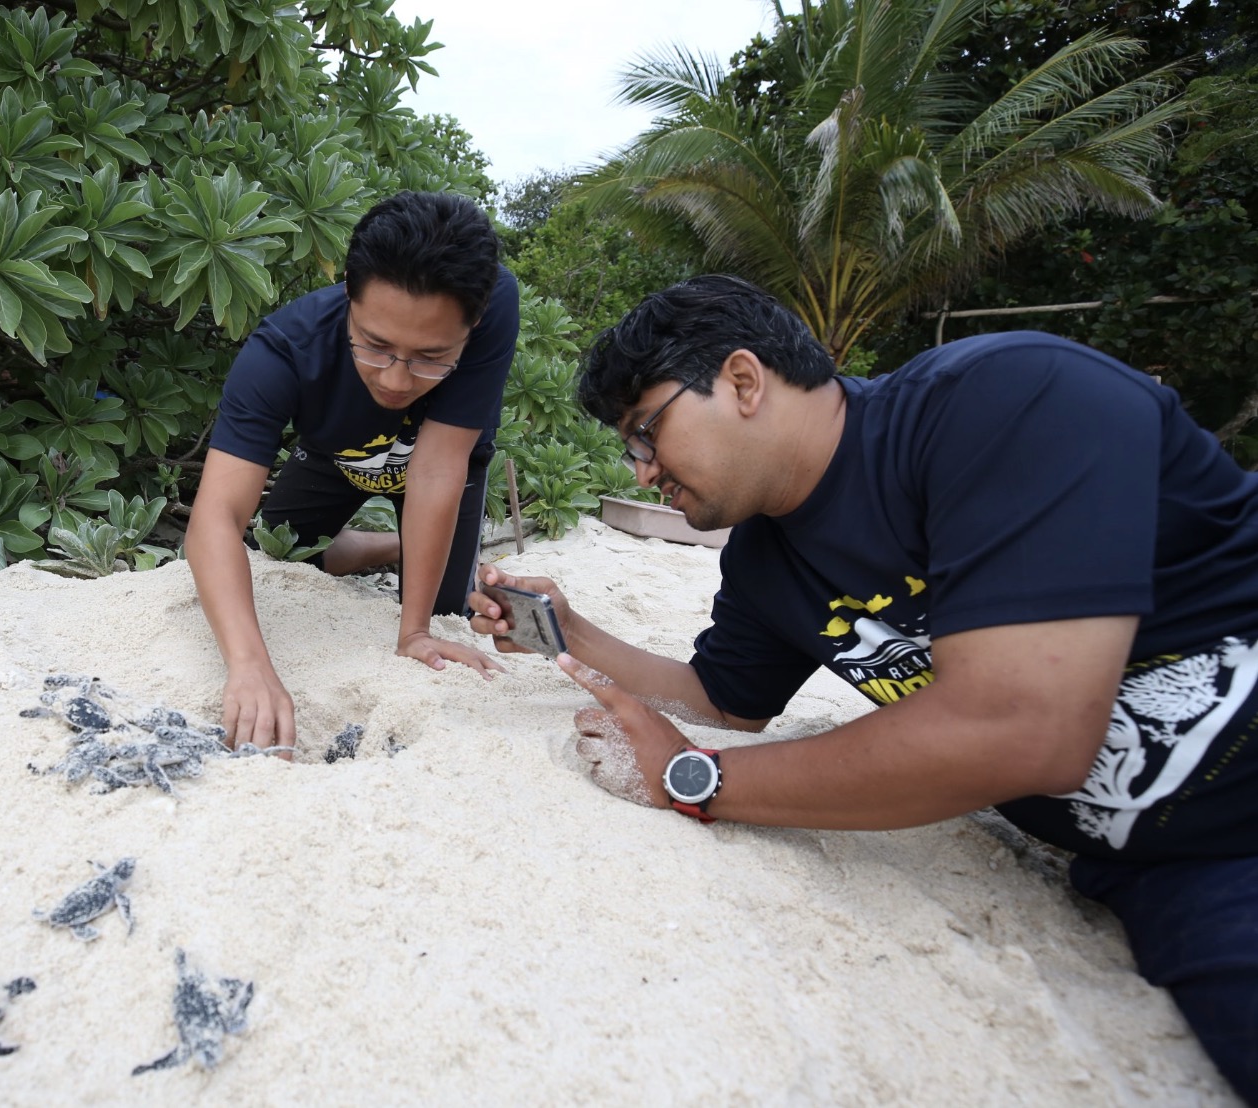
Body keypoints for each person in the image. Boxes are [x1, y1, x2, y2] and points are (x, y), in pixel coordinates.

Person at [468, 274, 1258, 1101]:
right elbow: (724, 700)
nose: (641, 474)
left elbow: (1027, 731)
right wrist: (574, 632)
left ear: (742, 380)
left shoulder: (1003, 402)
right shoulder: (767, 558)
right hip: (1160, 868)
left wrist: (693, 777)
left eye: (646, 434)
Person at [188, 190, 517, 751]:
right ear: (348, 294)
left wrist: (413, 633)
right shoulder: (282, 352)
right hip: (339, 455)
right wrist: (248, 665)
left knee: (442, 606)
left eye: (430, 357)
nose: (395, 379)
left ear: (475, 321)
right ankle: (395, 543)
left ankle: (422, 556)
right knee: (285, 548)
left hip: (440, 455)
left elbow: (438, 470)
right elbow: (215, 516)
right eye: (375, 345)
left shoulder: (494, 300)